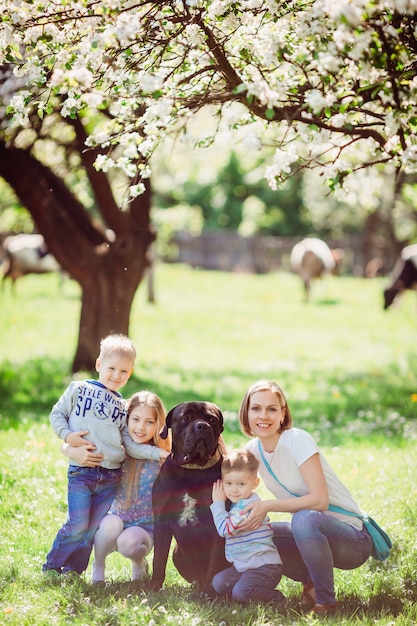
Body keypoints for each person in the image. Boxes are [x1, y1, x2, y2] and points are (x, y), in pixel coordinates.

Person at [237, 379, 373, 615]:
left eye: (271, 409)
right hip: (313, 536)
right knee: (263, 530)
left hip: (352, 540)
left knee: (303, 519)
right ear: (246, 413)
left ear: (283, 414)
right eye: (256, 408)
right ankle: (309, 583)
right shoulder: (252, 450)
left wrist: (268, 505)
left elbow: (320, 500)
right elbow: (230, 474)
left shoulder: (297, 440)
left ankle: (326, 601)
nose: (263, 416)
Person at [42, 334, 166, 583]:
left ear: (129, 374)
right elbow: (57, 414)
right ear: (99, 365)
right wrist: (67, 438)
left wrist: (159, 453)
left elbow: (129, 444)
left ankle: (74, 571)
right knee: (77, 523)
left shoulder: (121, 406)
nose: (116, 375)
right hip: (83, 471)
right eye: (111, 368)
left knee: (89, 528)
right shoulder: (79, 389)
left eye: (123, 371)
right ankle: (52, 566)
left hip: (109, 475)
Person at [64, 390, 171, 584]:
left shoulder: (162, 456)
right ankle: (98, 565)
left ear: (159, 424)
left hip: (143, 528)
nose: (141, 427)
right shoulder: (114, 449)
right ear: (126, 419)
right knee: (112, 524)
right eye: (136, 419)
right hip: (113, 519)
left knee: (128, 543)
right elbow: (73, 448)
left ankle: (138, 563)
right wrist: (68, 448)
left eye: (149, 422)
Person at [210, 448, 287, 608]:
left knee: (241, 592)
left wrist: (218, 504)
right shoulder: (239, 503)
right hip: (244, 566)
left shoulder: (246, 507)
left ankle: (277, 599)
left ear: (255, 483)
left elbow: (225, 529)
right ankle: (247, 591)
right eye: (228, 483)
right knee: (219, 582)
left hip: (264, 568)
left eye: (241, 484)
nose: (234, 490)